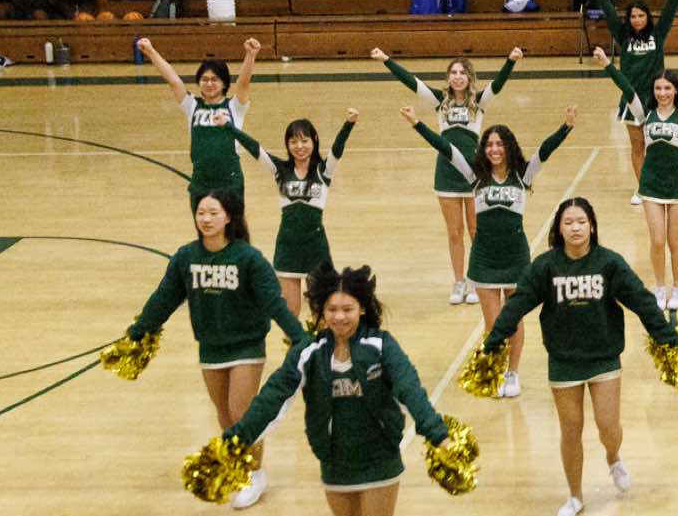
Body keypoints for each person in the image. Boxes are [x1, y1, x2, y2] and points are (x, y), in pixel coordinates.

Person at [220, 263, 450, 516]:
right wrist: (235, 439)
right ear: (320, 312)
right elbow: (273, 396)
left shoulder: (381, 346)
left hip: (379, 460)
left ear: (362, 308)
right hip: (335, 461)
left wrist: (437, 433)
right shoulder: (309, 353)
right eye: (332, 309)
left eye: (347, 308)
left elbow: (410, 388)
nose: (339, 316)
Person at [485, 197, 678, 516]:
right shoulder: (545, 267)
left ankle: (613, 457)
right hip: (563, 360)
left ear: (592, 226)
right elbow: (517, 304)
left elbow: (641, 301)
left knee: (608, 426)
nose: (575, 228)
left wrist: (668, 339)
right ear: (559, 229)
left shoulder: (609, 263)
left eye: (581, 222)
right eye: (568, 223)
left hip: (603, 357)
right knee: (570, 429)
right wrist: (494, 341)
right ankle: (575, 496)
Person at [116, 188, 303, 510]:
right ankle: (239, 466)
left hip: (246, 345)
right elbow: (164, 298)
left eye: (213, 213)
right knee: (224, 414)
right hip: (210, 348)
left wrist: (299, 337)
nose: (206, 219)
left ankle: (254, 475)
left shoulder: (248, 258)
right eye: (201, 213)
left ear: (228, 217)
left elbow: (274, 302)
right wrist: (139, 331)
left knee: (242, 412)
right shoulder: (186, 258)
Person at [408, 104, 577, 399]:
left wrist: (566, 127)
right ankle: (496, 370)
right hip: (485, 259)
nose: (494, 149)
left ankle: (513, 372)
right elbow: (446, 148)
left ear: (509, 147)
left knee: (514, 318)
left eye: (499, 144)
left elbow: (545, 151)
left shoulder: (523, 175)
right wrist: (417, 123)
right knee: (493, 324)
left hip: (515, 258)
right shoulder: (475, 175)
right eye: (489, 144)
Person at [371, 47, 522, 304]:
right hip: (446, 173)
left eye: (462, 72)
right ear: (448, 77)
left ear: (470, 78)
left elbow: (498, 84)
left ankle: (475, 280)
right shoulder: (440, 102)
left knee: (476, 230)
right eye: (453, 72)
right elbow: (412, 82)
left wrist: (511, 61)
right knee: (454, 232)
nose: (458, 77)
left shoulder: (479, 102)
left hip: (475, 173)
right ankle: (459, 281)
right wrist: (387, 60)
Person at [599, 53, 678, 310]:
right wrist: (608, 65)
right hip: (651, 184)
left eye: (667, 88)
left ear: (675, 91)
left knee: (675, 241)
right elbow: (627, 89)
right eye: (658, 88)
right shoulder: (645, 113)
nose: (662, 93)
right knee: (657, 241)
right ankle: (660, 286)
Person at [230, 111, 355, 315]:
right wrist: (230, 128)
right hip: (288, 246)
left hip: (315, 246)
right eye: (293, 141)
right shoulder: (280, 170)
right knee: (290, 311)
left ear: (314, 140)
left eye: (304, 140)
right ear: (287, 145)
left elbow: (337, 149)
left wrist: (348, 124)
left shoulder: (323, 170)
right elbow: (256, 150)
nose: (299, 146)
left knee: (322, 310)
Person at [136, 36, 261, 207]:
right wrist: (151, 52)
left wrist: (250, 55)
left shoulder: (235, 106)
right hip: (200, 181)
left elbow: (243, 83)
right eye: (204, 79)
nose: (209, 83)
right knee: (204, 223)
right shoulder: (192, 104)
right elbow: (173, 80)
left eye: (214, 79)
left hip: (230, 181)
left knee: (233, 224)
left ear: (224, 83)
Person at [589, 0, 678, 185]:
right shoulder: (623, 36)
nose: (637, 20)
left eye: (641, 15)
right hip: (632, 100)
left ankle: (661, 182)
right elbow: (610, 14)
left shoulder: (657, 34)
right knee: (638, 145)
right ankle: (643, 187)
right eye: (633, 16)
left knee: (658, 145)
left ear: (648, 17)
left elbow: (669, 13)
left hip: (656, 99)